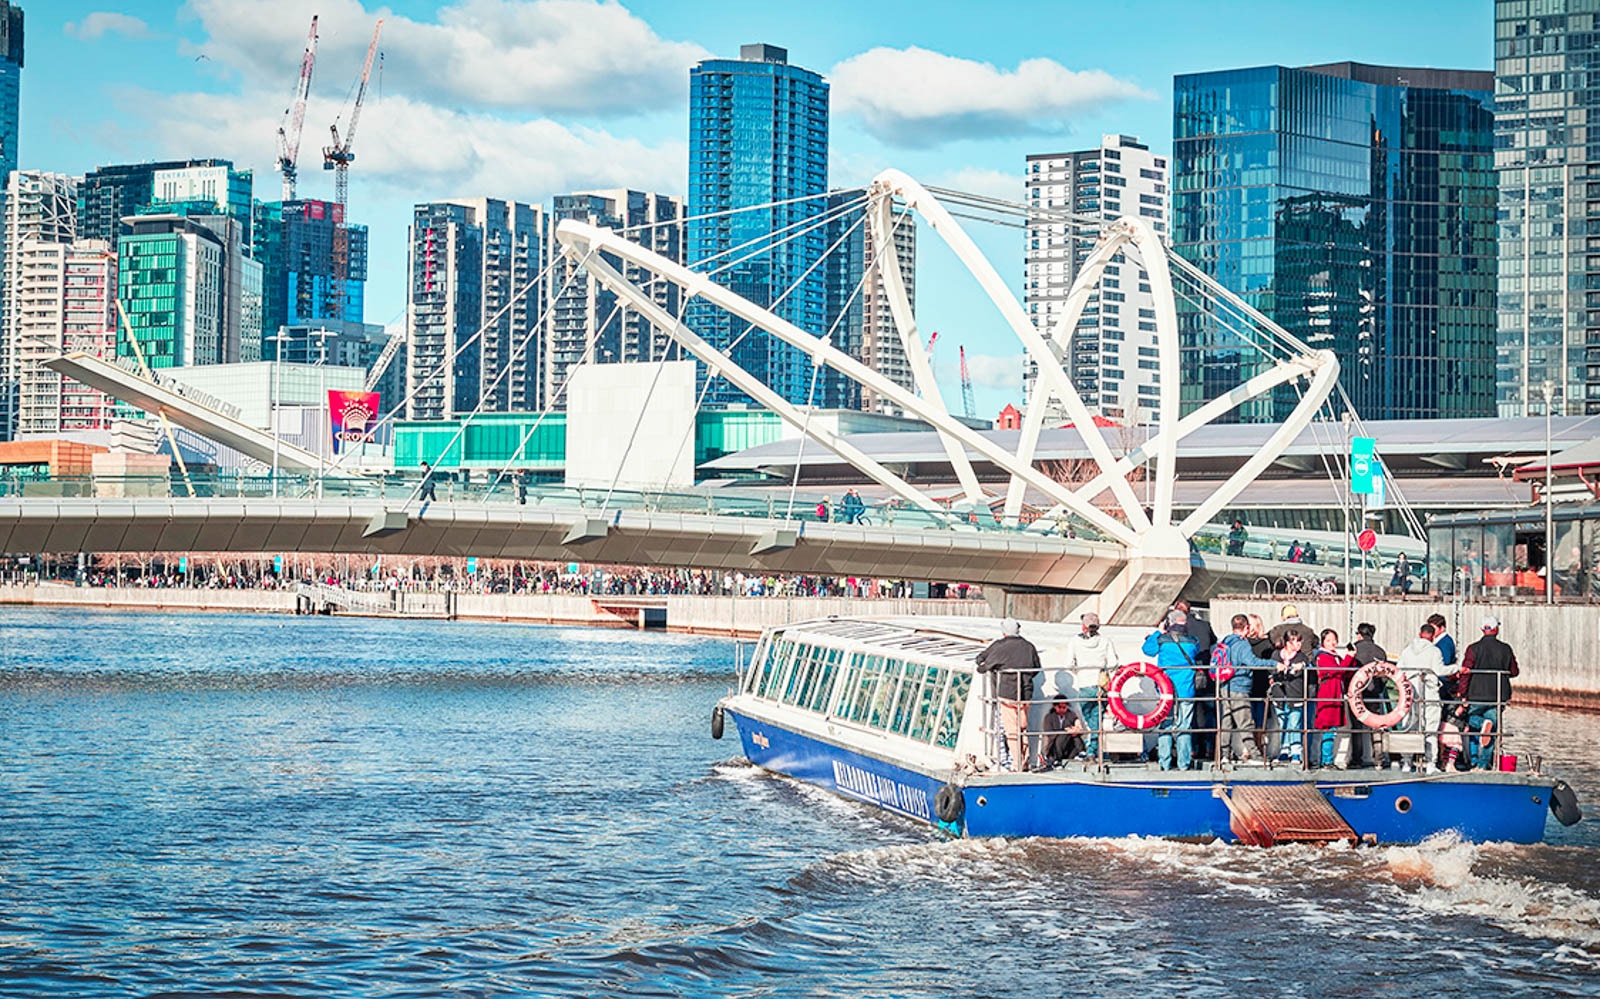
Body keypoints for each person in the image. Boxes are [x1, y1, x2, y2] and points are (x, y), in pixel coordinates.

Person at [1455, 614, 1520, 770]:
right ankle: (1483, 766)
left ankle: (1474, 762)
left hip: (1476, 694)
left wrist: (1462, 694)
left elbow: (1466, 672)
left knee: (1469, 721)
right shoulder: (1505, 648)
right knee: (1490, 732)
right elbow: (1514, 671)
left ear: (1482, 629)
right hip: (1498, 695)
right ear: (1496, 629)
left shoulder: (1473, 649)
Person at [976, 617, 1041, 772]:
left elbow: (985, 665)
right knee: (1022, 728)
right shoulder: (1029, 646)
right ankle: (1025, 760)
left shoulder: (1000, 646)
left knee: (1011, 729)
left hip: (1007, 693)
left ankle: (1017, 763)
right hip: (1026, 693)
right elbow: (1037, 668)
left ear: (1004, 632)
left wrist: (980, 666)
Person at [1214, 614, 1277, 763]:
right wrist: (1274, 664)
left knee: (1226, 722)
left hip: (1225, 686)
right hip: (1240, 686)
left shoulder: (1226, 641)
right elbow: (1252, 662)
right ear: (1246, 628)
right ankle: (1255, 756)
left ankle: (1224, 755)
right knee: (1246, 723)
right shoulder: (1243, 644)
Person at [1142, 610, 1201, 771]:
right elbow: (1197, 651)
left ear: (1169, 623)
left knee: (1165, 724)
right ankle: (1183, 764)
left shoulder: (1162, 640)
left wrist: (1158, 632)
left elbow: (1147, 650)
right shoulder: (1193, 641)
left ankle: (1165, 763)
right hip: (1186, 689)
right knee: (1185, 725)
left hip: (1165, 689)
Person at [1065, 611, 1117, 759]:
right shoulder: (1106, 641)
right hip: (1101, 685)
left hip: (1084, 684)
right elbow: (1113, 663)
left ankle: (1092, 749)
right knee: (1098, 718)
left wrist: (1078, 672)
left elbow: (1069, 664)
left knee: (1089, 718)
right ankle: (1094, 749)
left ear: (1084, 627)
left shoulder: (1074, 641)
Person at [1395, 622, 1445, 772]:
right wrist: (1457, 668)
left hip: (1409, 694)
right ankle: (1430, 763)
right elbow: (1439, 670)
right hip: (1429, 694)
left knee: (1409, 726)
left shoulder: (1407, 651)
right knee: (1431, 728)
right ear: (1432, 636)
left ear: (1420, 633)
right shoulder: (1435, 651)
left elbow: (1398, 670)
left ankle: (1406, 762)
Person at [1311, 629, 1354, 768]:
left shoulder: (1335, 656)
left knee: (1331, 729)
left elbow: (1343, 672)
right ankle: (1326, 759)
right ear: (1323, 642)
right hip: (1328, 694)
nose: (1332, 643)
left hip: (1335, 694)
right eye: (1328, 640)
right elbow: (1337, 670)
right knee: (1328, 728)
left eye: (1334, 639)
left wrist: (1350, 660)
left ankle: (1325, 758)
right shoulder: (1323, 657)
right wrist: (1349, 658)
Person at [1348, 622, 1389, 768]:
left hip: (1357, 693)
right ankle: (1379, 758)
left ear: (1359, 634)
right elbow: (1386, 675)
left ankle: (1356, 759)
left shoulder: (1354, 649)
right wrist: (1378, 688)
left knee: (1357, 727)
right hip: (1374, 692)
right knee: (1376, 726)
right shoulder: (1380, 651)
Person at [1267, 629, 1310, 763]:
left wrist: (1301, 666)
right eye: (1295, 642)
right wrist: (1274, 674)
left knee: (1294, 723)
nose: (1299, 645)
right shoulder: (1276, 655)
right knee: (1283, 723)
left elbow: (1308, 664)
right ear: (1287, 642)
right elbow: (1270, 669)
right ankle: (1284, 751)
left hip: (1295, 694)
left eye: (1299, 642)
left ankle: (1296, 753)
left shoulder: (1302, 657)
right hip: (1279, 694)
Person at [1039, 697, 1087, 768]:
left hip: (1069, 746)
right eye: (1060, 707)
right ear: (1055, 707)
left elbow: (1078, 725)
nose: (1062, 709)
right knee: (1063, 735)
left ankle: (1081, 752)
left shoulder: (1071, 715)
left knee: (1075, 735)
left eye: (1064, 707)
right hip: (1055, 747)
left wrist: (1075, 729)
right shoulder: (1049, 717)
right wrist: (1066, 732)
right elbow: (1049, 733)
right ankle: (1056, 759)